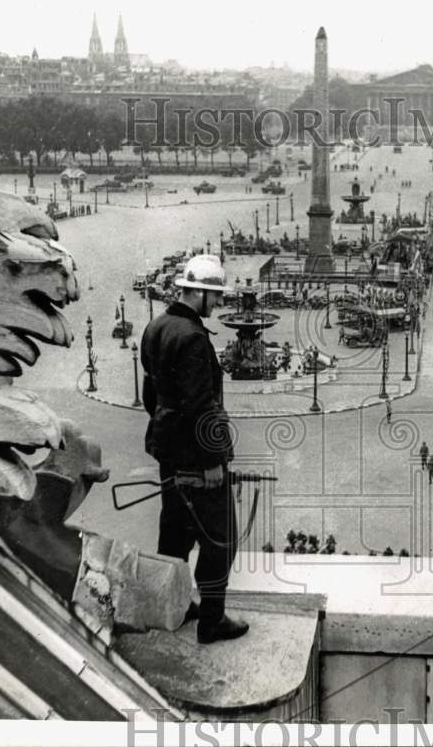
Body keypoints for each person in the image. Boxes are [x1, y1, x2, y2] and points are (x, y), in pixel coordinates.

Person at [140, 254, 249, 644]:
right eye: (215, 296)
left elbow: (150, 394)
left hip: (167, 451)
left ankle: (174, 605)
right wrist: (213, 461)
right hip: (198, 459)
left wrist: (168, 435)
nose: (218, 304)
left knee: (173, 534)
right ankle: (212, 620)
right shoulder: (194, 339)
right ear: (198, 292)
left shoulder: (155, 327)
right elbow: (204, 406)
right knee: (220, 538)